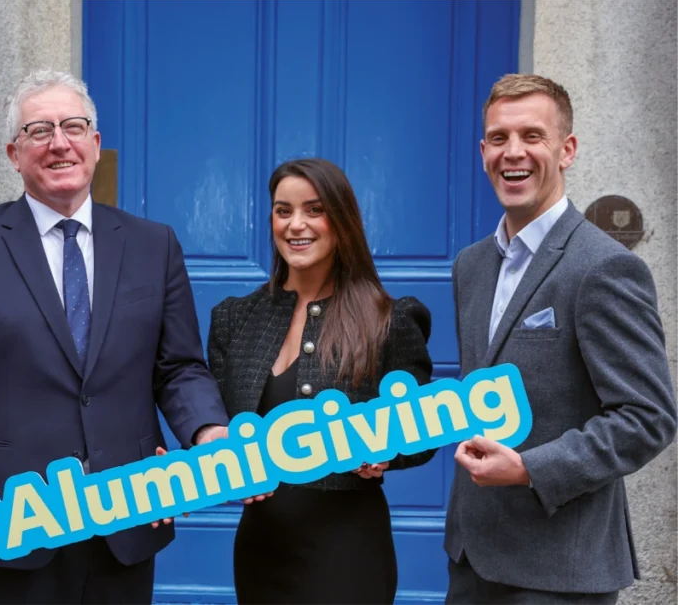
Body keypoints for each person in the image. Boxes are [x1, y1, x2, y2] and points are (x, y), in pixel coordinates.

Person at [0, 69, 232, 605]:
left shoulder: (154, 245)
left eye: (73, 127)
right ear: (15, 154)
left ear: (96, 144)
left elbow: (179, 368)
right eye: (39, 131)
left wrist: (207, 432)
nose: (59, 142)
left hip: (125, 520)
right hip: (8, 528)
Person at [445, 73, 677, 604]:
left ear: (566, 149)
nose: (514, 153)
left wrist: (529, 468)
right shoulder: (471, 265)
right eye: (499, 138)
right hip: (472, 559)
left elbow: (647, 418)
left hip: (559, 573)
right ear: (483, 151)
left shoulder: (604, 267)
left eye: (533, 136)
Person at [207, 157, 437, 605]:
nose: (296, 225)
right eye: (283, 210)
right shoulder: (234, 319)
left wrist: (390, 452)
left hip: (348, 549)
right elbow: (214, 423)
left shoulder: (389, 319)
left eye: (314, 210)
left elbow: (423, 431)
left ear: (342, 220)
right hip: (262, 548)